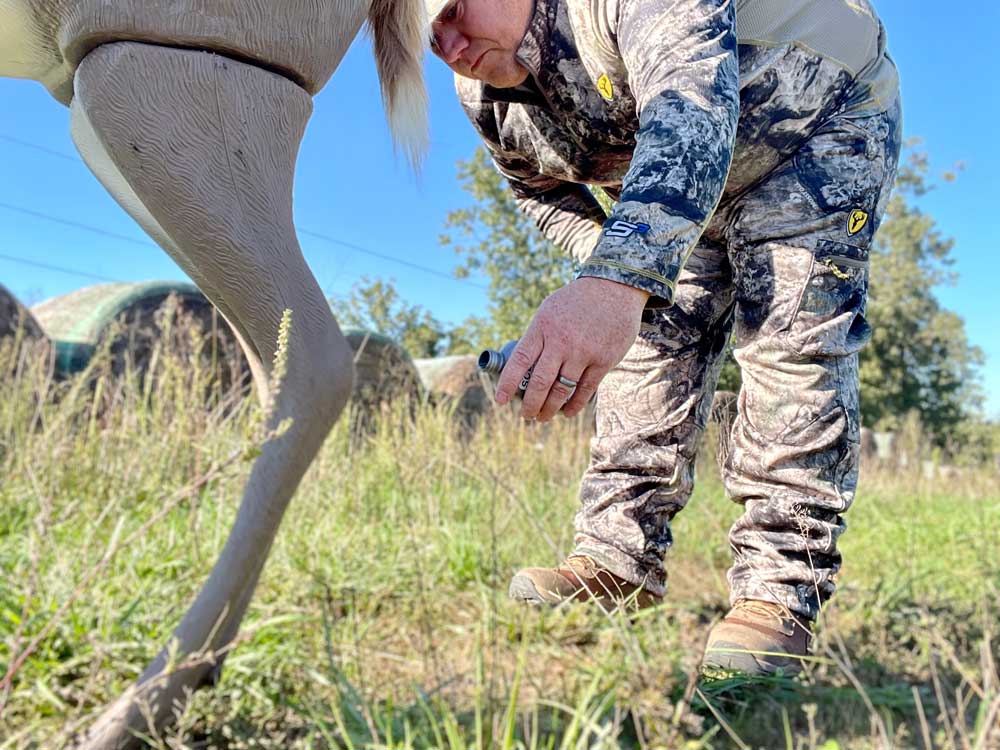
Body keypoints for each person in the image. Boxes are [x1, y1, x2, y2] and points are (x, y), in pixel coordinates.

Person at [428, 0, 901, 675]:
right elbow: (535, 191)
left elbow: (691, 111)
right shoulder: (483, 95)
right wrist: (619, 279)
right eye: (427, 35)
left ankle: (777, 596)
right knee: (648, 343)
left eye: (451, 9)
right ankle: (615, 564)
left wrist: (617, 280)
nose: (447, 41)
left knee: (789, 337)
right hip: (689, 180)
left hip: (816, 124)